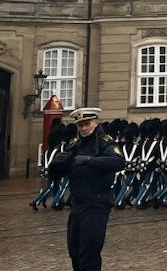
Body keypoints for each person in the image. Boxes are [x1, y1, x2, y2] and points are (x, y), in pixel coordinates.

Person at [50, 107, 126, 271]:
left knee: (89, 253)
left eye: (87, 124)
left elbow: (118, 162)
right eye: (80, 125)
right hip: (77, 205)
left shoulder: (106, 142)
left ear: (96, 122)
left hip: (96, 204)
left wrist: (90, 160)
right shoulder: (75, 145)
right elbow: (59, 173)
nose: (83, 128)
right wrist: (56, 166)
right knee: (74, 251)